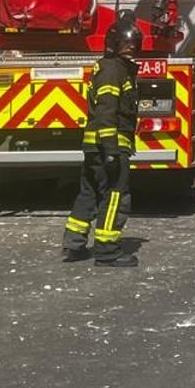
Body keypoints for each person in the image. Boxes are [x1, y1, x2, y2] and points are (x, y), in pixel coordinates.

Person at [64, 18, 142, 267]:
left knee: (89, 194)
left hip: (94, 147)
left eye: (134, 44)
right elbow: (106, 110)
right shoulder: (113, 70)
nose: (131, 48)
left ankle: (74, 244)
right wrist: (110, 150)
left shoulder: (112, 67)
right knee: (115, 196)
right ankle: (107, 251)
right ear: (113, 44)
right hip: (109, 146)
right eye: (126, 43)